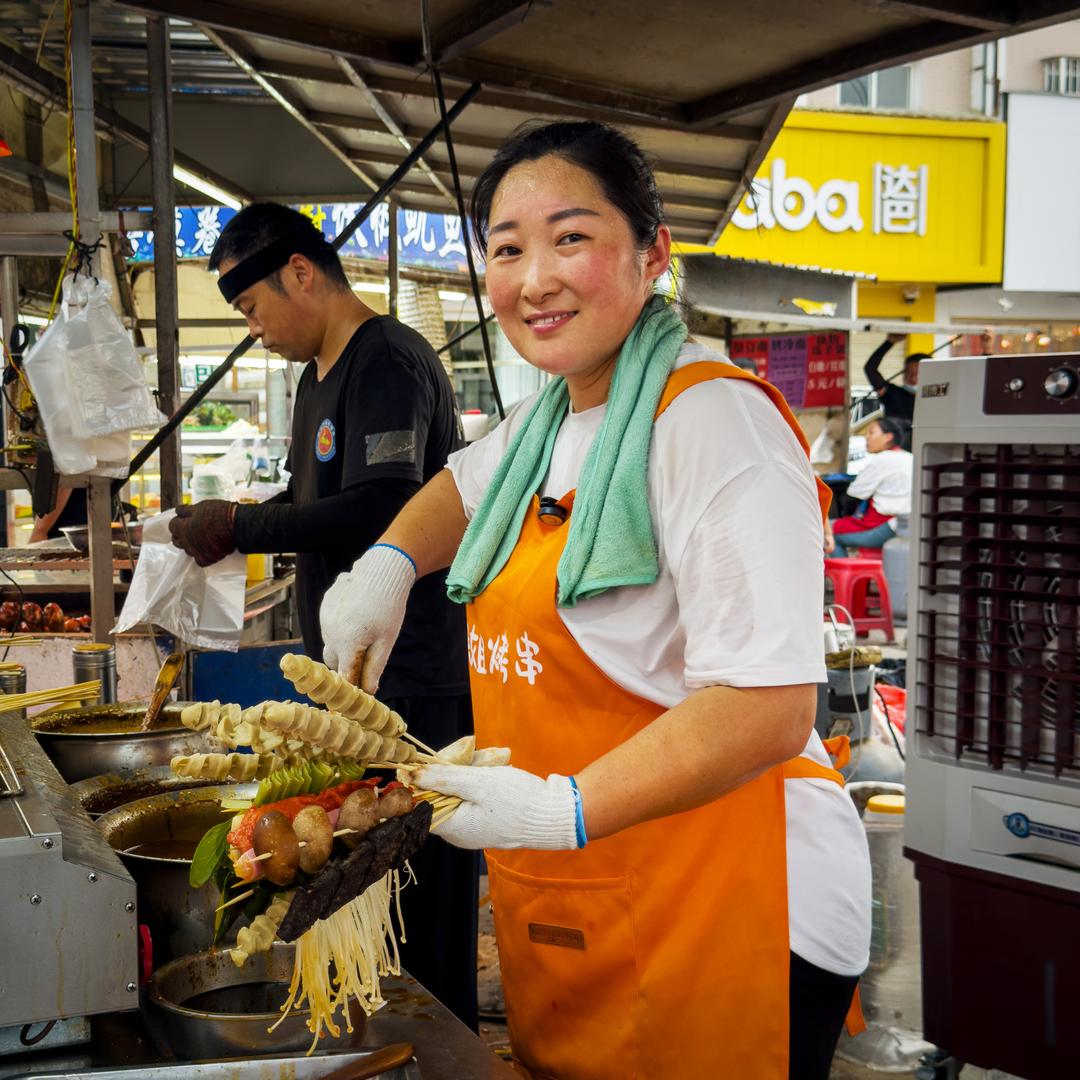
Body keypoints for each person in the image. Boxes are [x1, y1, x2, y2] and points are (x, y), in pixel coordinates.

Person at [319, 122, 871, 1079]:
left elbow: (772, 706)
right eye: (507, 248)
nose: (535, 278)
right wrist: (387, 568)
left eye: (571, 236)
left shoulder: (713, 423)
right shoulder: (549, 418)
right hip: (589, 885)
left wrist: (561, 809)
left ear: (653, 251)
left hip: (727, 894)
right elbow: (460, 484)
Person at [167, 203, 478, 1029]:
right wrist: (241, 519)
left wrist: (243, 524)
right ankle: (387, 1035)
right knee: (362, 886)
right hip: (357, 684)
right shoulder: (315, 379)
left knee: (422, 894)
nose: (254, 330)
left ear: (301, 273)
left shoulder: (388, 361)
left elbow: (380, 505)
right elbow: (317, 504)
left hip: (413, 677)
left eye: (251, 308)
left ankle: (440, 1045)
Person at [825, 417, 912, 558]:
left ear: (888, 437)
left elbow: (854, 492)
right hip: (908, 524)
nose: (867, 437)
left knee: (827, 532)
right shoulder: (909, 457)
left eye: (871, 433)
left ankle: (845, 576)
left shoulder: (882, 459)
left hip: (884, 525)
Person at [863, 333, 928, 421]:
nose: (913, 378)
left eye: (918, 373)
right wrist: (889, 342)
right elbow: (870, 369)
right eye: (908, 373)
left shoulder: (938, 398)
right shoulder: (892, 394)